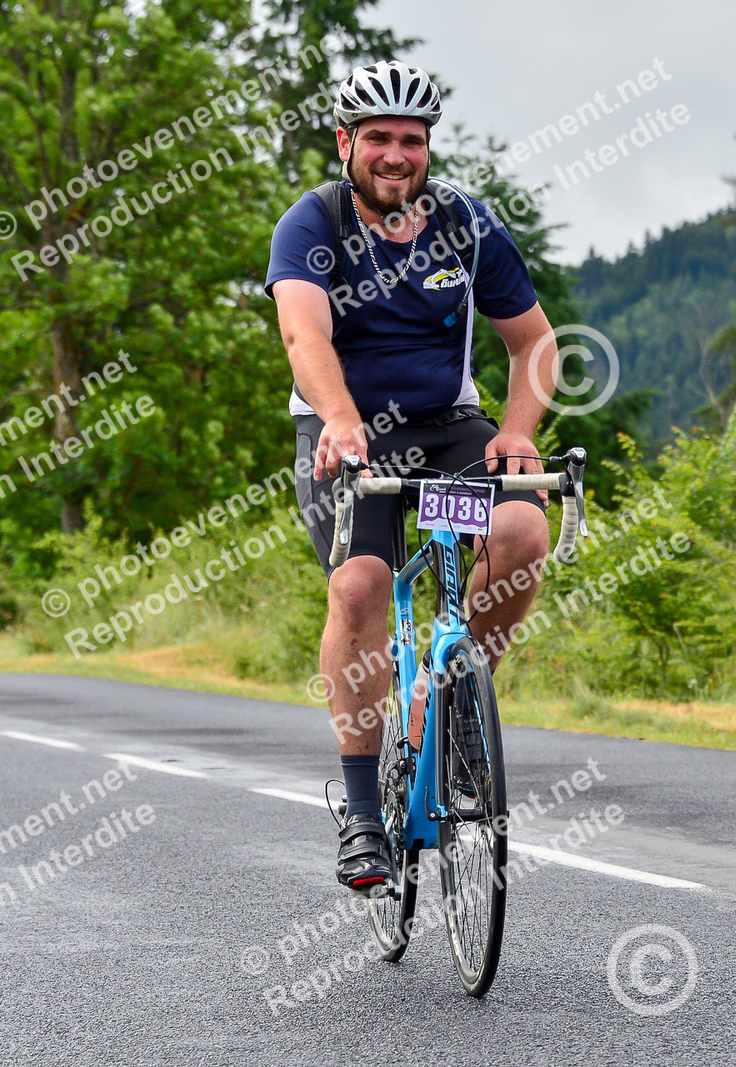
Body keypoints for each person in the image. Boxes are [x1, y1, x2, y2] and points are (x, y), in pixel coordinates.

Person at [265, 61, 560, 895]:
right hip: (344, 433)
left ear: (428, 147)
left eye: (412, 140)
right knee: (361, 588)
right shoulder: (312, 223)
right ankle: (363, 813)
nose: (396, 155)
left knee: (522, 531)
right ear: (346, 143)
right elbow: (303, 334)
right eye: (379, 138)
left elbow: (535, 342)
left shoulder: (466, 224)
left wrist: (516, 431)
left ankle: (448, 697)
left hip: (446, 426)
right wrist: (339, 415)